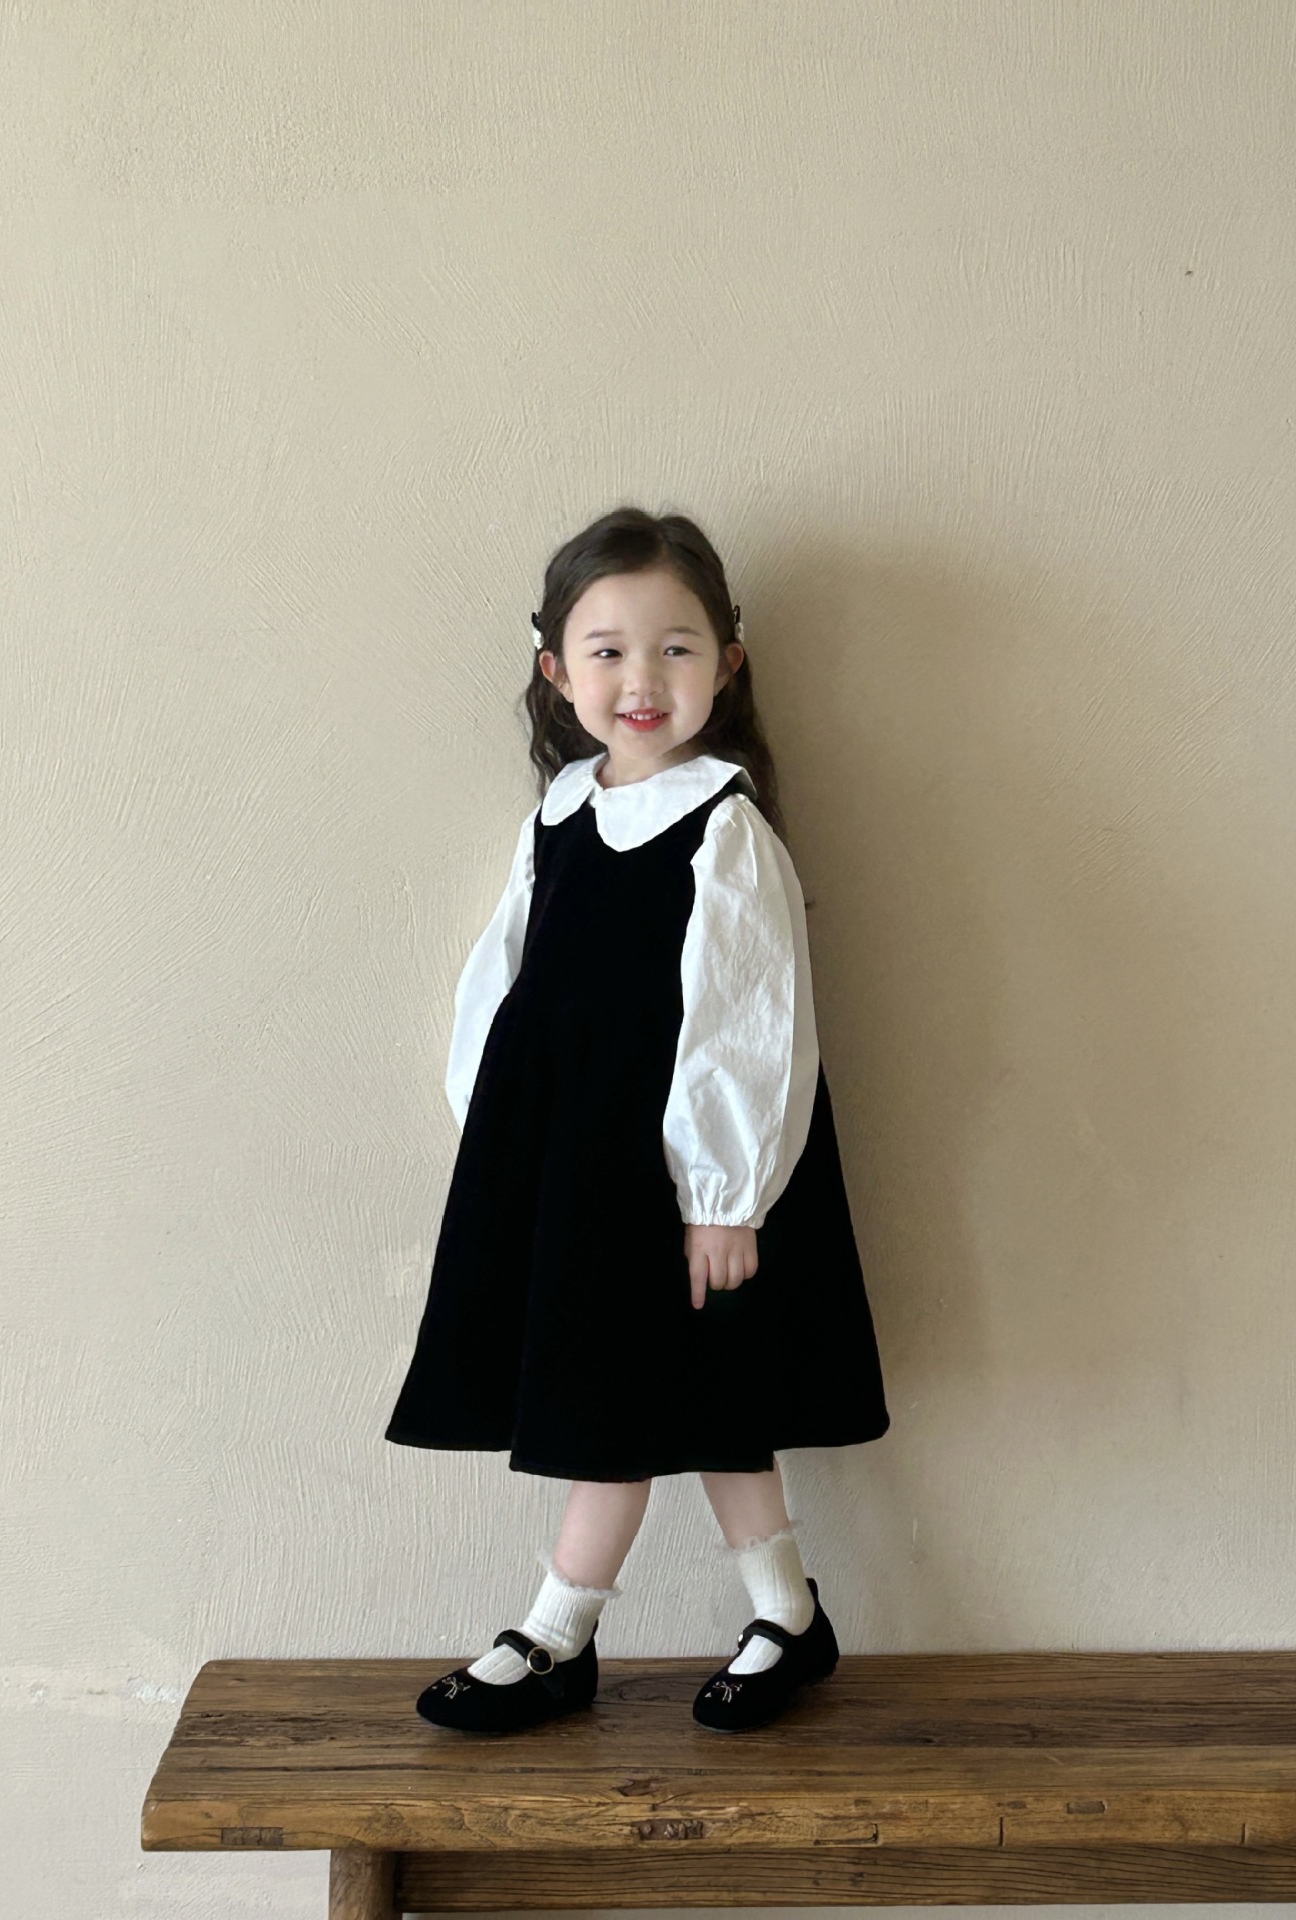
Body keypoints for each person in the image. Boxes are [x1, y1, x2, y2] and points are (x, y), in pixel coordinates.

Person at [385, 505, 890, 1734]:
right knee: (688, 1396)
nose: (642, 680)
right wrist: (499, 1133)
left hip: (683, 1173)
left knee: (639, 1400)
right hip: (580, 1164)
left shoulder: (723, 824)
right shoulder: (560, 812)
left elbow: (751, 1016)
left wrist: (724, 1196)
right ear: (557, 673)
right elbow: (505, 978)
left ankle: (564, 1632)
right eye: (607, 651)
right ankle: (779, 1614)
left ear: (728, 663)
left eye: (676, 648)